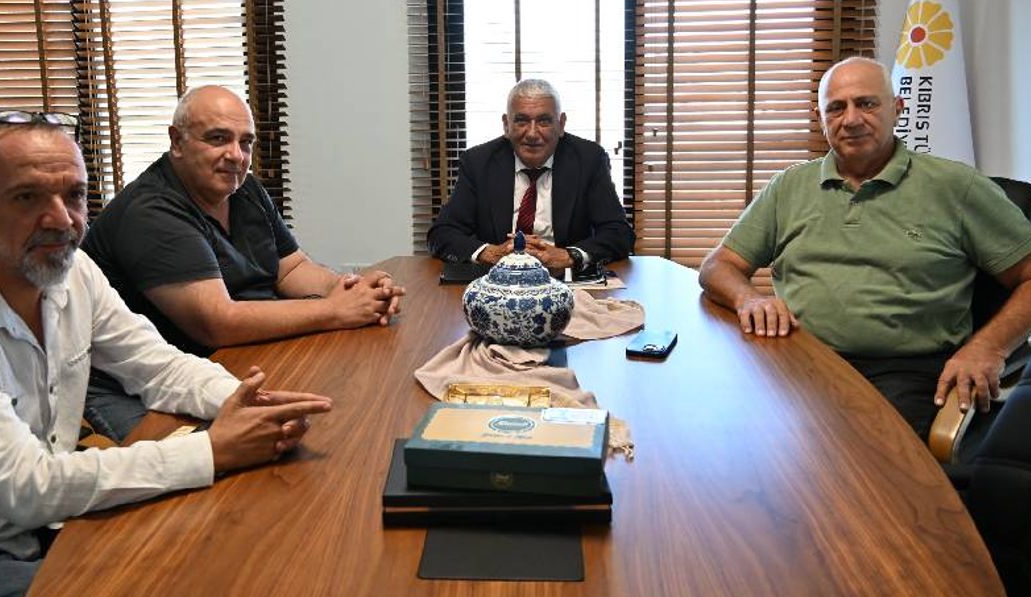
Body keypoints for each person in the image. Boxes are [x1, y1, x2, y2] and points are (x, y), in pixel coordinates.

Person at [0, 112, 333, 597]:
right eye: (28, 197)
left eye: (75, 195)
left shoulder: (72, 271)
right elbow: (25, 485)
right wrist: (212, 450)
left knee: (212, 558)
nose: (61, 220)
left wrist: (248, 405)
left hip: (31, 526)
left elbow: (157, 367)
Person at [698, 56, 1031, 440]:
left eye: (867, 103)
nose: (851, 119)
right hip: (798, 359)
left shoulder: (956, 187)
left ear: (897, 109)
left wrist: (988, 348)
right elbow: (718, 266)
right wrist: (749, 299)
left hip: (904, 374)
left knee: (859, 463)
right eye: (836, 108)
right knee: (721, 437)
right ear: (820, 118)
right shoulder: (789, 187)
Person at [81, 85, 402, 440]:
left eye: (245, 142)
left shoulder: (245, 189)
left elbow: (292, 268)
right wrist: (335, 310)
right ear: (177, 141)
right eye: (218, 138)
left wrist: (349, 289)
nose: (236, 155)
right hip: (137, 385)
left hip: (230, 360)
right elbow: (217, 322)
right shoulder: (150, 210)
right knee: (209, 467)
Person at [426, 78, 634, 271]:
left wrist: (569, 256)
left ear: (561, 124)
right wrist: (491, 253)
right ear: (506, 125)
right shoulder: (478, 163)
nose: (532, 133)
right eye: (521, 121)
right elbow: (442, 233)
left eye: (544, 121)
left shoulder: (589, 160)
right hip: (498, 281)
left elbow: (619, 233)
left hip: (564, 280)